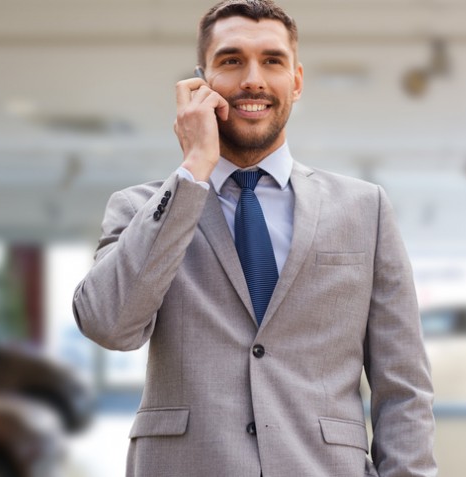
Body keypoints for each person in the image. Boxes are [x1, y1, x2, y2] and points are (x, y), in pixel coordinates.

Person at [71, 1, 437, 476]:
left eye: (272, 60)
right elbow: (107, 324)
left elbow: (404, 384)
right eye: (231, 60)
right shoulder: (141, 207)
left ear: (297, 81)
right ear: (201, 82)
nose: (253, 79)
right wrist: (191, 174)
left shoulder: (364, 209)